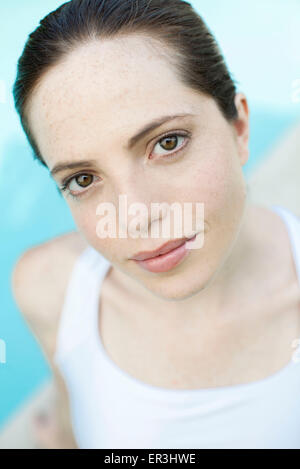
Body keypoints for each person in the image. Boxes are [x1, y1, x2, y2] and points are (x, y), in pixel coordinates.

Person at [11, 0, 300, 449]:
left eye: (167, 143)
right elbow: (76, 408)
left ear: (239, 126)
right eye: (82, 179)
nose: (135, 215)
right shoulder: (50, 287)